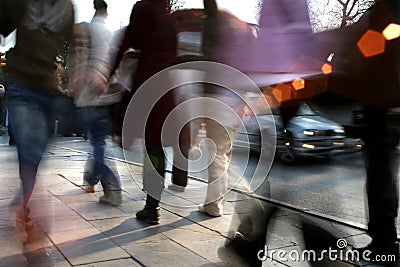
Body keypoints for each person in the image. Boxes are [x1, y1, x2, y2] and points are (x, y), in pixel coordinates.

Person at [3, 0, 75, 243]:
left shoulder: (66, 6)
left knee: (35, 158)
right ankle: (32, 217)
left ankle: (25, 199)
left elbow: (71, 45)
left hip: (49, 88)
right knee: (30, 149)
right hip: (21, 84)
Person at [110, 0, 177, 224]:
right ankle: (152, 203)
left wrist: (110, 73)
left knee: (151, 147)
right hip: (166, 86)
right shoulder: (169, 17)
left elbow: (126, 43)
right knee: (156, 146)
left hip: (146, 85)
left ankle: (151, 206)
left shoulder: (142, 8)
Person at [68, 0, 122, 206]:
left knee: (98, 142)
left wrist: (76, 83)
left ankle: (113, 189)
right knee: (99, 140)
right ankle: (90, 180)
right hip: (111, 94)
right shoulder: (112, 33)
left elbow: (80, 58)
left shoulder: (88, 29)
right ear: (107, 12)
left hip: (92, 94)